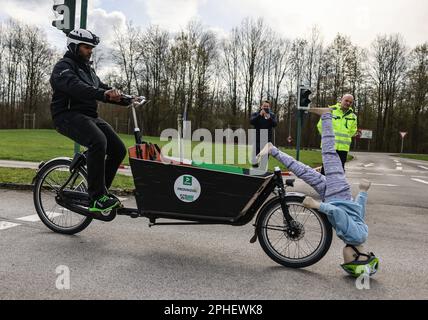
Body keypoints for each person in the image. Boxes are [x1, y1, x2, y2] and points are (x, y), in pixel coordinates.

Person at [257, 108, 379, 277]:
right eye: (348, 260)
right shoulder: (353, 237)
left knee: (303, 171)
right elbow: (337, 212)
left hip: (336, 194)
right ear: (357, 256)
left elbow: (359, 211)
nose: (344, 259)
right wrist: (317, 205)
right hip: (336, 194)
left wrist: (363, 191)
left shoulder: (362, 235)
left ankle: (272, 149)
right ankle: (327, 115)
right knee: (329, 153)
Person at [50, 28, 130, 214]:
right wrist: (103, 94)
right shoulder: (63, 67)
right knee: (98, 141)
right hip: (67, 116)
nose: (90, 51)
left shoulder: (89, 71)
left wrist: (126, 98)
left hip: (89, 117)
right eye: (86, 47)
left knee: (118, 149)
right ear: (73, 46)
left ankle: (102, 192)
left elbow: (102, 88)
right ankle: (96, 197)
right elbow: (78, 88)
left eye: (91, 48)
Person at [316, 94, 357, 175]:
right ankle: (323, 186)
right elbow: (320, 126)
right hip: (329, 146)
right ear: (341, 100)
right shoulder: (330, 110)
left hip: (343, 148)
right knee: (326, 169)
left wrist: (345, 137)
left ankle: (336, 187)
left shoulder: (353, 116)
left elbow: (353, 131)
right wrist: (327, 138)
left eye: (350, 102)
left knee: (340, 171)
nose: (348, 103)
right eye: (346, 100)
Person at [250, 100, 277, 165]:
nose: (266, 107)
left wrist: (269, 118)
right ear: (261, 106)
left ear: (269, 107)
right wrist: (259, 115)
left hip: (267, 141)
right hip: (257, 140)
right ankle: (254, 173)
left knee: (264, 162)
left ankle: (263, 173)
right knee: (255, 160)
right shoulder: (256, 114)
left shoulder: (272, 115)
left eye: (267, 106)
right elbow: (251, 122)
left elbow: (275, 124)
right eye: (264, 106)